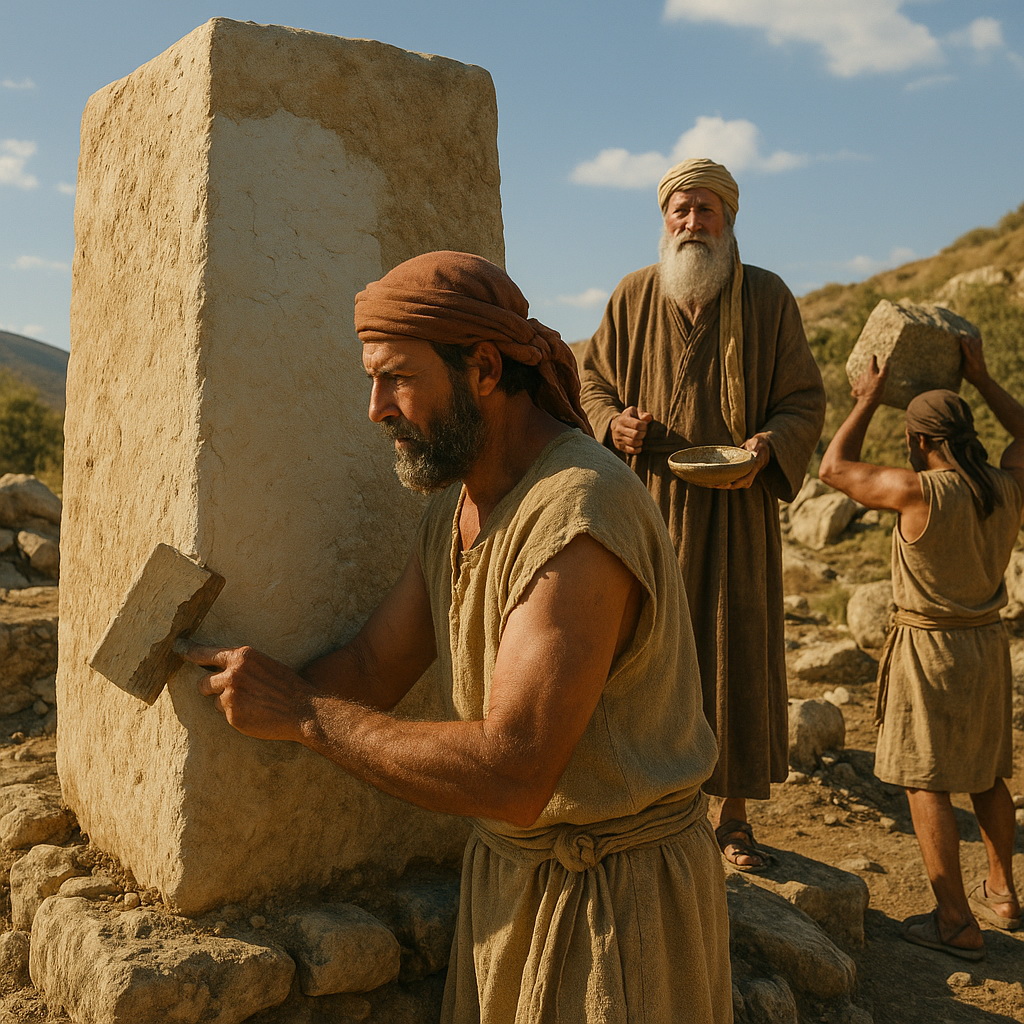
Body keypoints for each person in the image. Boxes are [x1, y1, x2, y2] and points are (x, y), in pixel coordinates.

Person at [181, 252, 732, 1022]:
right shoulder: (458, 505)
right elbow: (373, 665)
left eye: (397, 378)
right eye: (372, 380)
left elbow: (515, 773)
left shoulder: (579, 515)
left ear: (480, 368)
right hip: (516, 890)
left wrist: (306, 715)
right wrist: (240, 683)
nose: (375, 408)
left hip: (613, 909)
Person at [580, 157, 825, 870]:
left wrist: (768, 445)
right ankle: (651, 799)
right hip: (647, 504)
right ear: (665, 220)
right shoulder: (632, 296)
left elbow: (803, 399)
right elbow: (591, 379)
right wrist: (611, 426)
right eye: (679, 211)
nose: (691, 223)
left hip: (738, 511)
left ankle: (734, 816)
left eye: (705, 211)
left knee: (733, 648)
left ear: (729, 219)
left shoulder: (770, 299)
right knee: (641, 652)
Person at [819, 336, 1023, 960]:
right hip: (988, 646)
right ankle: (1006, 893)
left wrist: (868, 400)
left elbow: (832, 468)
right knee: (987, 773)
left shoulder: (914, 492)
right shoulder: (1006, 488)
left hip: (928, 650)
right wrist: (985, 381)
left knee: (924, 782)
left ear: (917, 440)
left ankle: (957, 922)